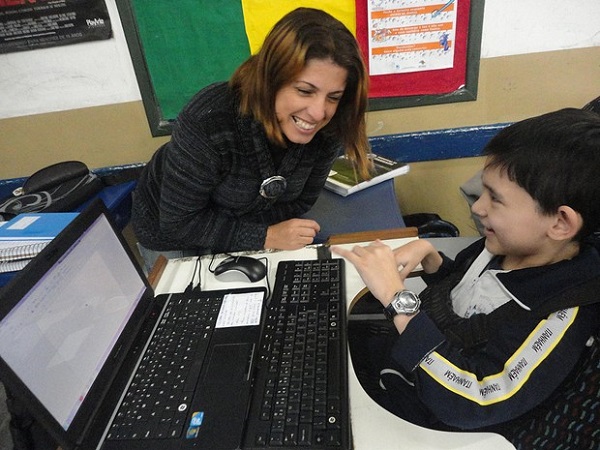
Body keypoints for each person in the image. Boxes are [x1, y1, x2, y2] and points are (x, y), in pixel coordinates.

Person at [333, 108, 600, 448]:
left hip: (431, 426)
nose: (478, 208)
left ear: (561, 223)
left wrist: (397, 300)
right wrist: (434, 263)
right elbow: (466, 302)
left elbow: (473, 400)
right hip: (401, 377)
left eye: (496, 199)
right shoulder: (498, 246)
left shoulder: (559, 316)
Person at [131, 7, 370, 272]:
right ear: (270, 79)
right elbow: (179, 222)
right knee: (187, 306)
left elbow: (301, 201)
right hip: (170, 231)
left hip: (240, 223)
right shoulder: (208, 119)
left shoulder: (331, 125)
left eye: (333, 97)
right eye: (304, 91)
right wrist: (265, 235)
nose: (318, 112)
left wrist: (252, 231)